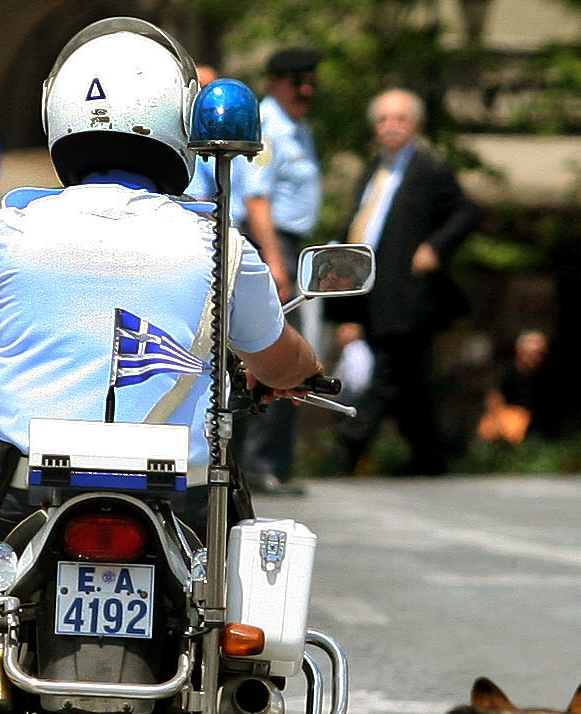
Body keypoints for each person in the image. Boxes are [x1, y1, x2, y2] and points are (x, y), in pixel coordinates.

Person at [0, 16, 321, 541]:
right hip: (181, 502)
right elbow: (278, 360)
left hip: (22, 495)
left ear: (57, 111)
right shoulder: (219, 243)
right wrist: (306, 369)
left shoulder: (8, 229)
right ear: (180, 118)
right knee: (237, 605)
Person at [325, 88, 480, 477]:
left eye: (400, 119)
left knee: (387, 374)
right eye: (383, 119)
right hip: (373, 292)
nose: (391, 127)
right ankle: (429, 456)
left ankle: (347, 446)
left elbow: (466, 212)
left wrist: (435, 247)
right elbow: (358, 227)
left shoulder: (429, 168)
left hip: (408, 294)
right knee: (411, 381)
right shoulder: (374, 169)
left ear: (415, 125)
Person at [236, 47, 322, 497]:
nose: (305, 90)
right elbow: (257, 199)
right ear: (275, 83)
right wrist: (273, 258)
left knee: (291, 354)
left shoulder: (297, 129)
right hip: (272, 243)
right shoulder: (269, 128)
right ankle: (258, 463)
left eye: (310, 81)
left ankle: (274, 462)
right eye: (296, 82)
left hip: (290, 245)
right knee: (278, 356)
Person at [478, 330, 559, 443]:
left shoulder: (547, 376)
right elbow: (494, 398)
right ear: (520, 352)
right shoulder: (508, 374)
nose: (536, 357)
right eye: (532, 353)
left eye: (541, 353)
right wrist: (502, 422)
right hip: (513, 425)